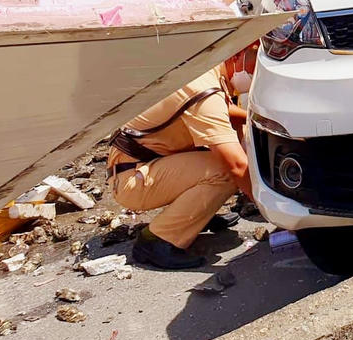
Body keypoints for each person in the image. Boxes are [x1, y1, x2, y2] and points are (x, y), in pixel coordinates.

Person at [108, 51, 256, 270]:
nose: (255, 73)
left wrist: (255, 118)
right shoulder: (204, 93)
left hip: (146, 163)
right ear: (240, 55)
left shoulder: (206, 68)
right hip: (130, 178)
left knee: (222, 152)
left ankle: (195, 217)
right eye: (254, 66)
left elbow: (225, 111)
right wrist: (274, 211)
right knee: (224, 170)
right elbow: (236, 165)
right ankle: (157, 240)